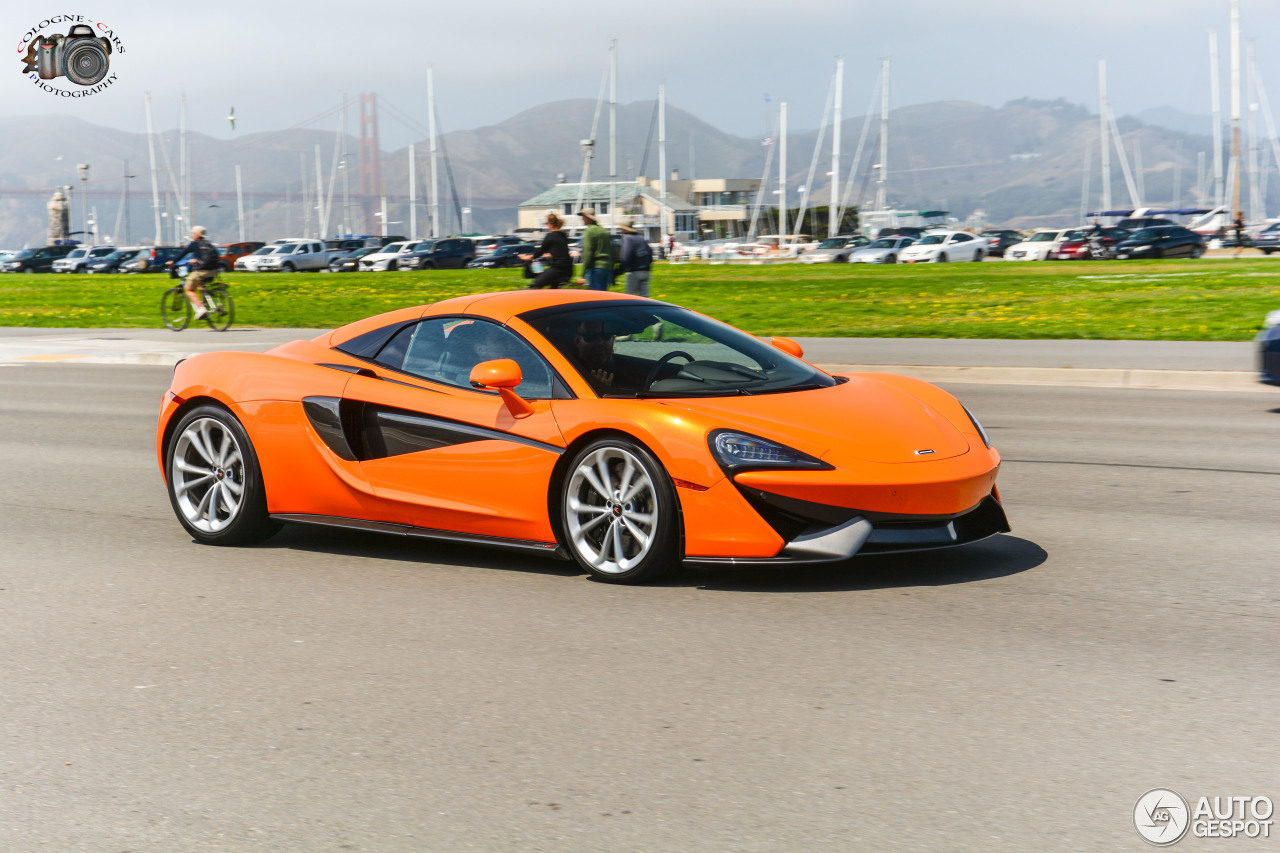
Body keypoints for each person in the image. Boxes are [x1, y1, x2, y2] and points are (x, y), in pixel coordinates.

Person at [167, 226, 220, 319]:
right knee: (200, 286)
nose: (191, 235)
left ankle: (201, 309)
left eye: (192, 233)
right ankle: (213, 306)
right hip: (213, 271)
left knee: (189, 290)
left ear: (197, 235)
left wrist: (173, 261)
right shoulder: (209, 244)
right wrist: (196, 260)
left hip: (201, 271)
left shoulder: (194, 244)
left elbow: (183, 253)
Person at [519, 212, 573, 288]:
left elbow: (539, 252)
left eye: (546, 224)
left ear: (550, 224)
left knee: (537, 283)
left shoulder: (550, 236)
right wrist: (551, 255)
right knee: (554, 288)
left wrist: (527, 257)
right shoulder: (562, 235)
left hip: (558, 269)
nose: (546, 226)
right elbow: (561, 250)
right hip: (568, 269)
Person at [578, 208, 614, 291]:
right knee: (604, 297)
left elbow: (588, 254)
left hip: (595, 269)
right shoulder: (604, 231)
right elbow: (611, 252)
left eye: (583, 217)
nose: (582, 219)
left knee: (595, 298)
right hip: (607, 268)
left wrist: (582, 274)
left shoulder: (589, 231)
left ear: (588, 218)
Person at [618, 219, 653, 297]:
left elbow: (626, 256)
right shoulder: (641, 237)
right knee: (645, 299)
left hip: (634, 272)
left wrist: (619, 271)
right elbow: (650, 251)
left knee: (630, 298)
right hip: (646, 271)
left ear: (624, 229)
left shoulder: (627, 237)